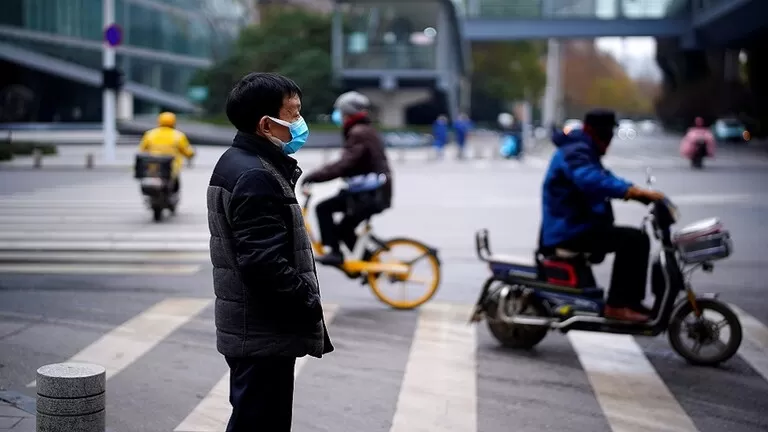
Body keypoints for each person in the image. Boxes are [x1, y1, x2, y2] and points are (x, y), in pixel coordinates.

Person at [207, 72, 334, 432]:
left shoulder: (239, 162)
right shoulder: (255, 176)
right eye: (293, 115)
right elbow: (263, 262)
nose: (299, 123)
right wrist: (307, 300)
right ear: (266, 124)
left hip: (256, 329)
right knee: (260, 424)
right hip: (263, 333)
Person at [540, 109, 665, 322]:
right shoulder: (575, 151)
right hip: (570, 229)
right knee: (633, 241)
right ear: (597, 133)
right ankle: (617, 305)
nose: (609, 141)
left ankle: (630, 302)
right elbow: (590, 179)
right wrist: (630, 193)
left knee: (636, 238)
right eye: (607, 135)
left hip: (575, 226)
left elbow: (603, 176)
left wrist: (634, 190)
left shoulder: (583, 149)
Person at [302, 91, 392, 266]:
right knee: (344, 229)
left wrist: (315, 176)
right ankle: (368, 264)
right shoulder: (365, 130)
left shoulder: (358, 133)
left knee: (323, 208)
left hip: (368, 194)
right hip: (372, 191)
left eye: (339, 112)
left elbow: (345, 164)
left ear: (347, 113)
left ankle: (334, 253)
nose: (337, 116)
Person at [136, 112, 195, 193]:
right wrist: (191, 155)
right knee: (175, 185)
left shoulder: (150, 134)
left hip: (152, 167)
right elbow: (187, 151)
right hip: (171, 167)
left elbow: (142, 150)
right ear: (174, 122)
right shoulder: (178, 135)